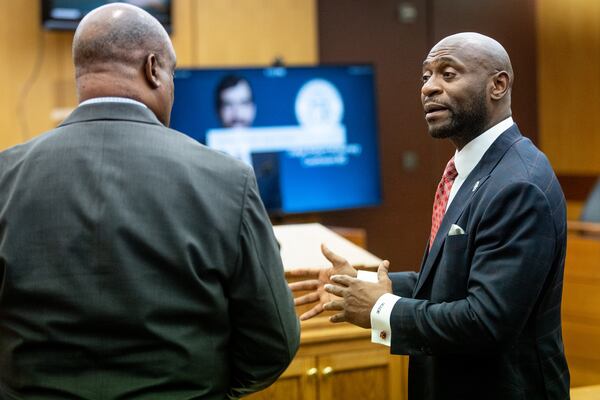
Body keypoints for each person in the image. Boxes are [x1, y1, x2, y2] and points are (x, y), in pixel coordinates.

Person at [0, 3, 299, 399]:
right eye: (173, 74)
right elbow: (274, 339)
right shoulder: (228, 180)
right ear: (153, 68)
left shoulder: (6, 175)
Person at [290, 32, 569, 400]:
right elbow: (457, 281)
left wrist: (380, 308)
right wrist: (361, 282)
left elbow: (486, 322)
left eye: (448, 74)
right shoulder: (471, 169)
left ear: (498, 85)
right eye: (426, 76)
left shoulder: (519, 184)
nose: (429, 89)